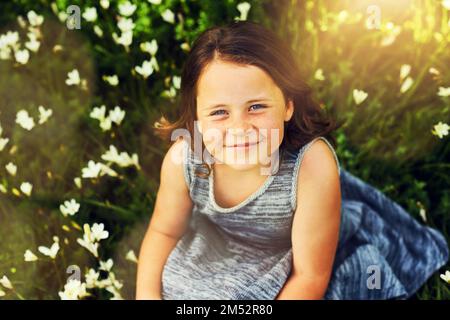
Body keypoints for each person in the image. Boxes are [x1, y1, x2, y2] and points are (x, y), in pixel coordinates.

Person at [135, 20, 448, 300]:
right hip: (223, 248)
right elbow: (164, 230)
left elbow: (310, 276)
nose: (240, 128)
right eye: (219, 113)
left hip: (304, 256)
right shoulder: (185, 160)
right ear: (197, 119)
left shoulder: (311, 166)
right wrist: (147, 295)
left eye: (256, 107)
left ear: (287, 105)